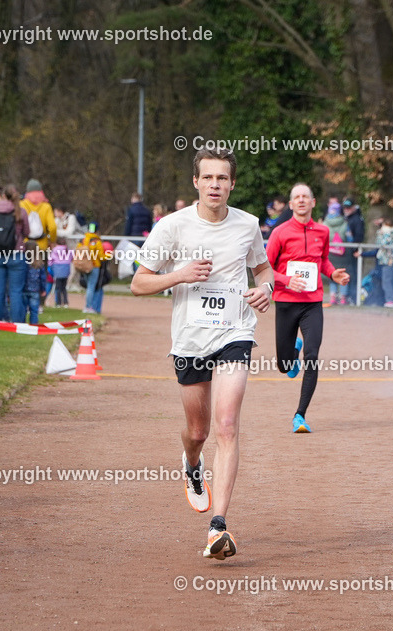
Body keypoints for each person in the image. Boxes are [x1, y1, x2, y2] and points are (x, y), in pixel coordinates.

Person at [131, 147, 273, 560]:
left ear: (232, 183)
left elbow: (263, 269)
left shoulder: (247, 225)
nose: (215, 185)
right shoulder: (172, 226)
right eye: (208, 178)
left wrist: (265, 289)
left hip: (235, 332)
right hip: (191, 340)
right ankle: (192, 464)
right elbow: (139, 282)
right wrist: (180, 275)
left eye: (222, 178)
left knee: (227, 425)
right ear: (196, 182)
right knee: (199, 431)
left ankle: (218, 526)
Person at [267, 183, 349, 434]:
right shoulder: (280, 232)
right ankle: (294, 351)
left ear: (313, 203)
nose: (301, 200)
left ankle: (300, 415)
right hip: (286, 302)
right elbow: (264, 269)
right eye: (296, 197)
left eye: (306, 197)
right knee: (283, 366)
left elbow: (322, 261)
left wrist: (332, 273)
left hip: (312, 303)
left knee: (312, 358)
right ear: (291, 204)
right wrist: (285, 280)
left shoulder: (323, 231)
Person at [0, 185, 29, 323]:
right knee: (16, 291)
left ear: (3, 196)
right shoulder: (21, 212)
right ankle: (17, 322)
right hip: (16, 254)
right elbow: (27, 232)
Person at [19, 179, 56, 309]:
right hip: (42, 246)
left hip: (25, 245)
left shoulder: (22, 204)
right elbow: (52, 227)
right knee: (41, 274)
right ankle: (39, 303)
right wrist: (52, 241)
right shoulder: (46, 207)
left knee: (24, 273)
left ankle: (25, 301)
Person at [76, 224, 110, 314]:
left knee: (88, 287)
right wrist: (110, 255)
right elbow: (101, 257)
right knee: (91, 287)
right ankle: (88, 307)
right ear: (97, 231)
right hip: (94, 266)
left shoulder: (83, 240)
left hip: (84, 266)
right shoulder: (97, 241)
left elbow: (78, 251)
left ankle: (88, 306)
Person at [49, 237, 72, 307]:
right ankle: (65, 302)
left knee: (58, 288)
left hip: (58, 270)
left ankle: (58, 303)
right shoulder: (67, 250)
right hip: (66, 269)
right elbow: (71, 258)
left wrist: (50, 266)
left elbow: (51, 259)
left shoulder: (55, 250)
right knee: (64, 288)